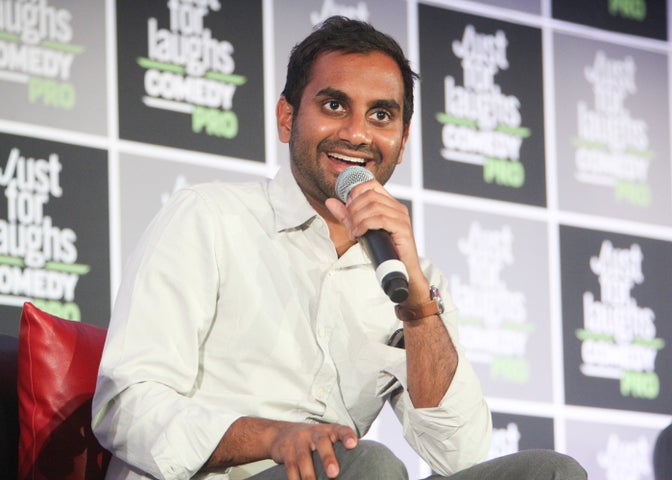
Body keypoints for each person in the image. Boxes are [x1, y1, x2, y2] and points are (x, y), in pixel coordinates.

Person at [91, 16, 587, 480]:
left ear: (403, 138)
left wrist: (418, 311)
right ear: (287, 118)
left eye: (380, 115)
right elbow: (126, 406)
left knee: (550, 472)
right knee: (364, 465)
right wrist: (275, 438)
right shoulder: (209, 218)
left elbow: (460, 456)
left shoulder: (410, 276)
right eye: (334, 106)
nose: (357, 133)